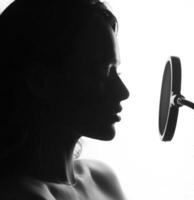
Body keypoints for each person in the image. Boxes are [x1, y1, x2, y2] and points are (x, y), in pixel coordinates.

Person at [0, 0, 129, 199]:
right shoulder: (19, 194)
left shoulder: (103, 177)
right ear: (41, 82)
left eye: (116, 71)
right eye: (101, 72)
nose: (122, 92)